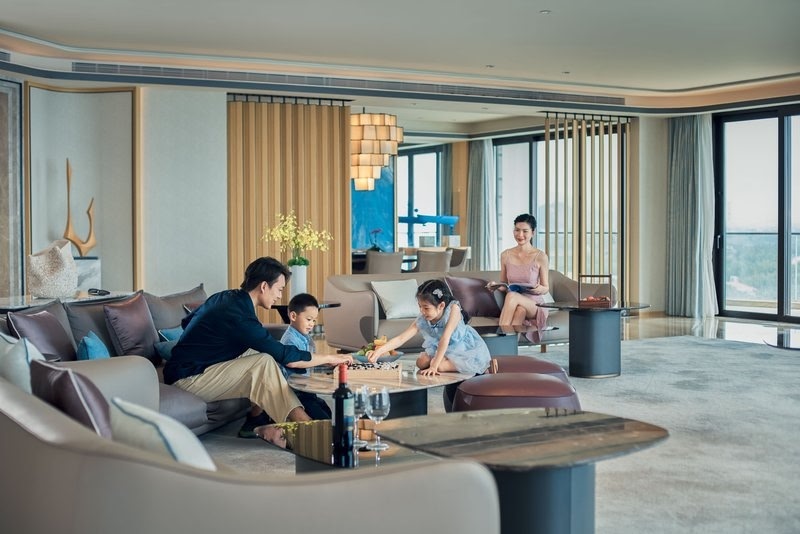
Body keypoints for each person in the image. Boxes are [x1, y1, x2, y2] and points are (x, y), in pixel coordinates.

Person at [163, 256, 351, 446]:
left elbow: (187, 322)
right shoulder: (240, 315)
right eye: (279, 289)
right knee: (262, 363)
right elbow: (288, 358)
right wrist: (329, 357)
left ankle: (257, 420)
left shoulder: (225, 297)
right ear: (264, 286)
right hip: (187, 378)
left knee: (261, 354)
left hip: (198, 367)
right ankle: (307, 428)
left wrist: (210, 348)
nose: (279, 296)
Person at [367, 279, 490, 377]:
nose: (422, 311)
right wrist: (379, 351)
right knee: (421, 363)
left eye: (426, 308)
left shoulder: (453, 310)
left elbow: (445, 338)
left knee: (438, 366)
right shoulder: (424, 317)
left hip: (461, 347)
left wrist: (434, 366)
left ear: (441, 306)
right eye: (420, 306)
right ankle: (443, 359)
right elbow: (401, 338)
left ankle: (480, 367)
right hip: (441, 346)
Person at [486, 213, 550, 333]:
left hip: (534, 305)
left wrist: (538, 289)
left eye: (525, 231)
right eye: (517, 230)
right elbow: (505, 284)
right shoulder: (505, 255)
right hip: (515, 304)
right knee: (520, 311)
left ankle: (500, 335)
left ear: (533, 232)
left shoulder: (541, 256)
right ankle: (510, 342)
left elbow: (546, 288)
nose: (520, 235)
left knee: (512, 296)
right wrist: (496, 286)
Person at [276, 292, 332, 420]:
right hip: (296, 392)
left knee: (326, 410)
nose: (312, 324)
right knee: (322, 417)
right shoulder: (290, 340)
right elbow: (297, 362)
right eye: (308, 319)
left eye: (314, 320)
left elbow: (310, 358)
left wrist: (326, 362)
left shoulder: (304, 336)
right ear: (293, 316)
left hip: (305, 389)